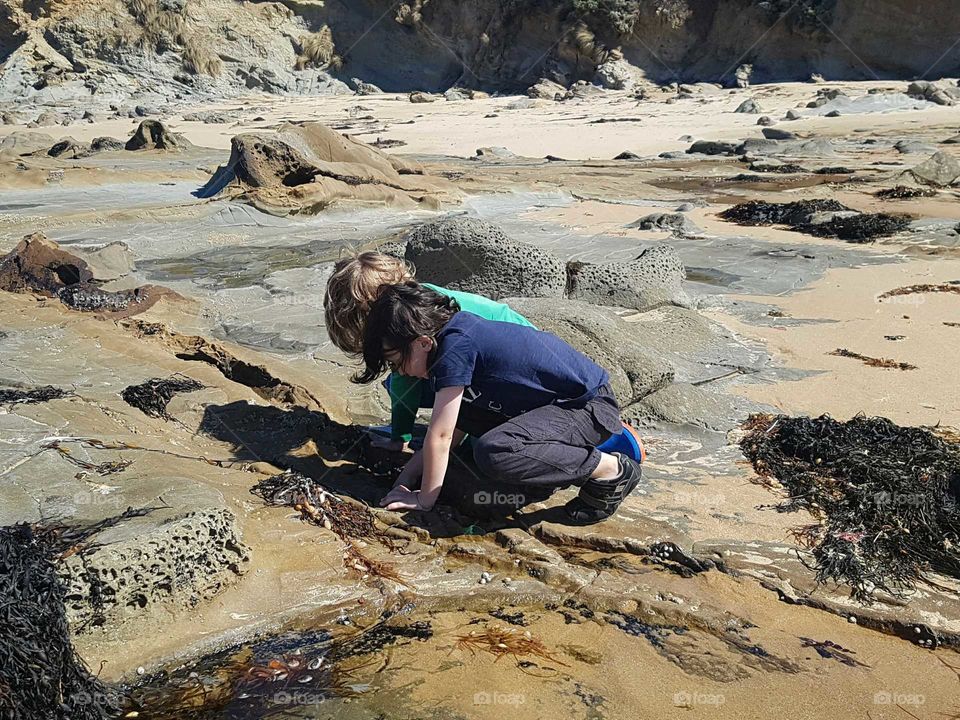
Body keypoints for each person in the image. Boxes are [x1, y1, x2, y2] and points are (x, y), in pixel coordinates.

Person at [353, 282, 643, 524]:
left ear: (423, 343)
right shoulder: (454, 337)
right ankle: (566, 463)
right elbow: (451, 433)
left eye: (397, 361)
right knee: (467, 419)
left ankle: (611, 469)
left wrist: (423, 500)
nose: (400, 371)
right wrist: (403, 481)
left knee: (496, 451)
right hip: (552, 407)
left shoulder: (455, 348)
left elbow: (440, 437)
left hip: (588, 406)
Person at [323, 251, 535, 452]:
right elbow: (403, 383)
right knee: (400, 379)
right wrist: (400, 437)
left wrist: (445, 440)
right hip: (483, 360)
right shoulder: (407, 310)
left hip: (514, 368)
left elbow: (451, 374)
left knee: (481, 449)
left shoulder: (423, 317)